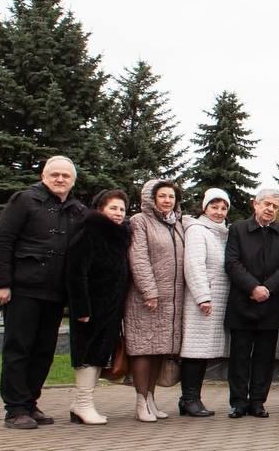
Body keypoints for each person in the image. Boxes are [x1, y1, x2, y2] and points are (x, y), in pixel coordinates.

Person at [0, 156, 88, 429]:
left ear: (73, 180)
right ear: (43, 176)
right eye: (55, 174)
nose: (60, 179)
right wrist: (2, 283)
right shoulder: (24, 200)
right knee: (18, 348)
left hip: (55, 292)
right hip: (24, 288)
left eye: (66, 176)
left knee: (44, 351)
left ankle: (30, 402)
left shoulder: (77, 210)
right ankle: (15, 408)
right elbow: (3, 241)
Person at [224, 189, 279, 419]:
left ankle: (257, 402)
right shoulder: (237, 229)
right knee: (240, 357)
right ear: (255, 204)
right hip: (242, 302)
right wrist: (253, 287)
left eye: (275, 206)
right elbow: (232, 262)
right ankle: (238, 403)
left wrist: (268, 288)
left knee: (265, 358)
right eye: (266, 204)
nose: (270, 209)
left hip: (270, 304)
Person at [65, 189, 131, 425]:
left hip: (111, 306)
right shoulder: (88, 232)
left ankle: (82, 404)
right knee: (87, 354)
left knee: (99, 354)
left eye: (122, 209)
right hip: (90, 306)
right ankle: (83, 403)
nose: (118, 213)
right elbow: (76, 273)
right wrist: (82, 308)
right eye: (113, 208)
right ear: (100, 208)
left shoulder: (120, 235)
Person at [124, 179, 186, 423]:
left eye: (171, 196)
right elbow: (138, 258)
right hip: (146, 299)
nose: (167, 200)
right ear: (151, 198)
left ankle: (151, 398)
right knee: (143, 350)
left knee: (160, 350)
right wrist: (149, 291)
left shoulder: (176, 224)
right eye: (162, 196)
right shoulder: (140, 221)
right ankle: (140, 400)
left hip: (172, 300)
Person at [180, 188, 233, 418]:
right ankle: (188, 399)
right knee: (194, 351)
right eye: (214, 207)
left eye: (223, 208)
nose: (219, 212)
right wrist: (203, 297)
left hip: (217, 300)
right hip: (202, 301)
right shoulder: (197, 230)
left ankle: (194, 398)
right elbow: (194, 265)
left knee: (203, 352)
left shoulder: (223, 233)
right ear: (205, 208)